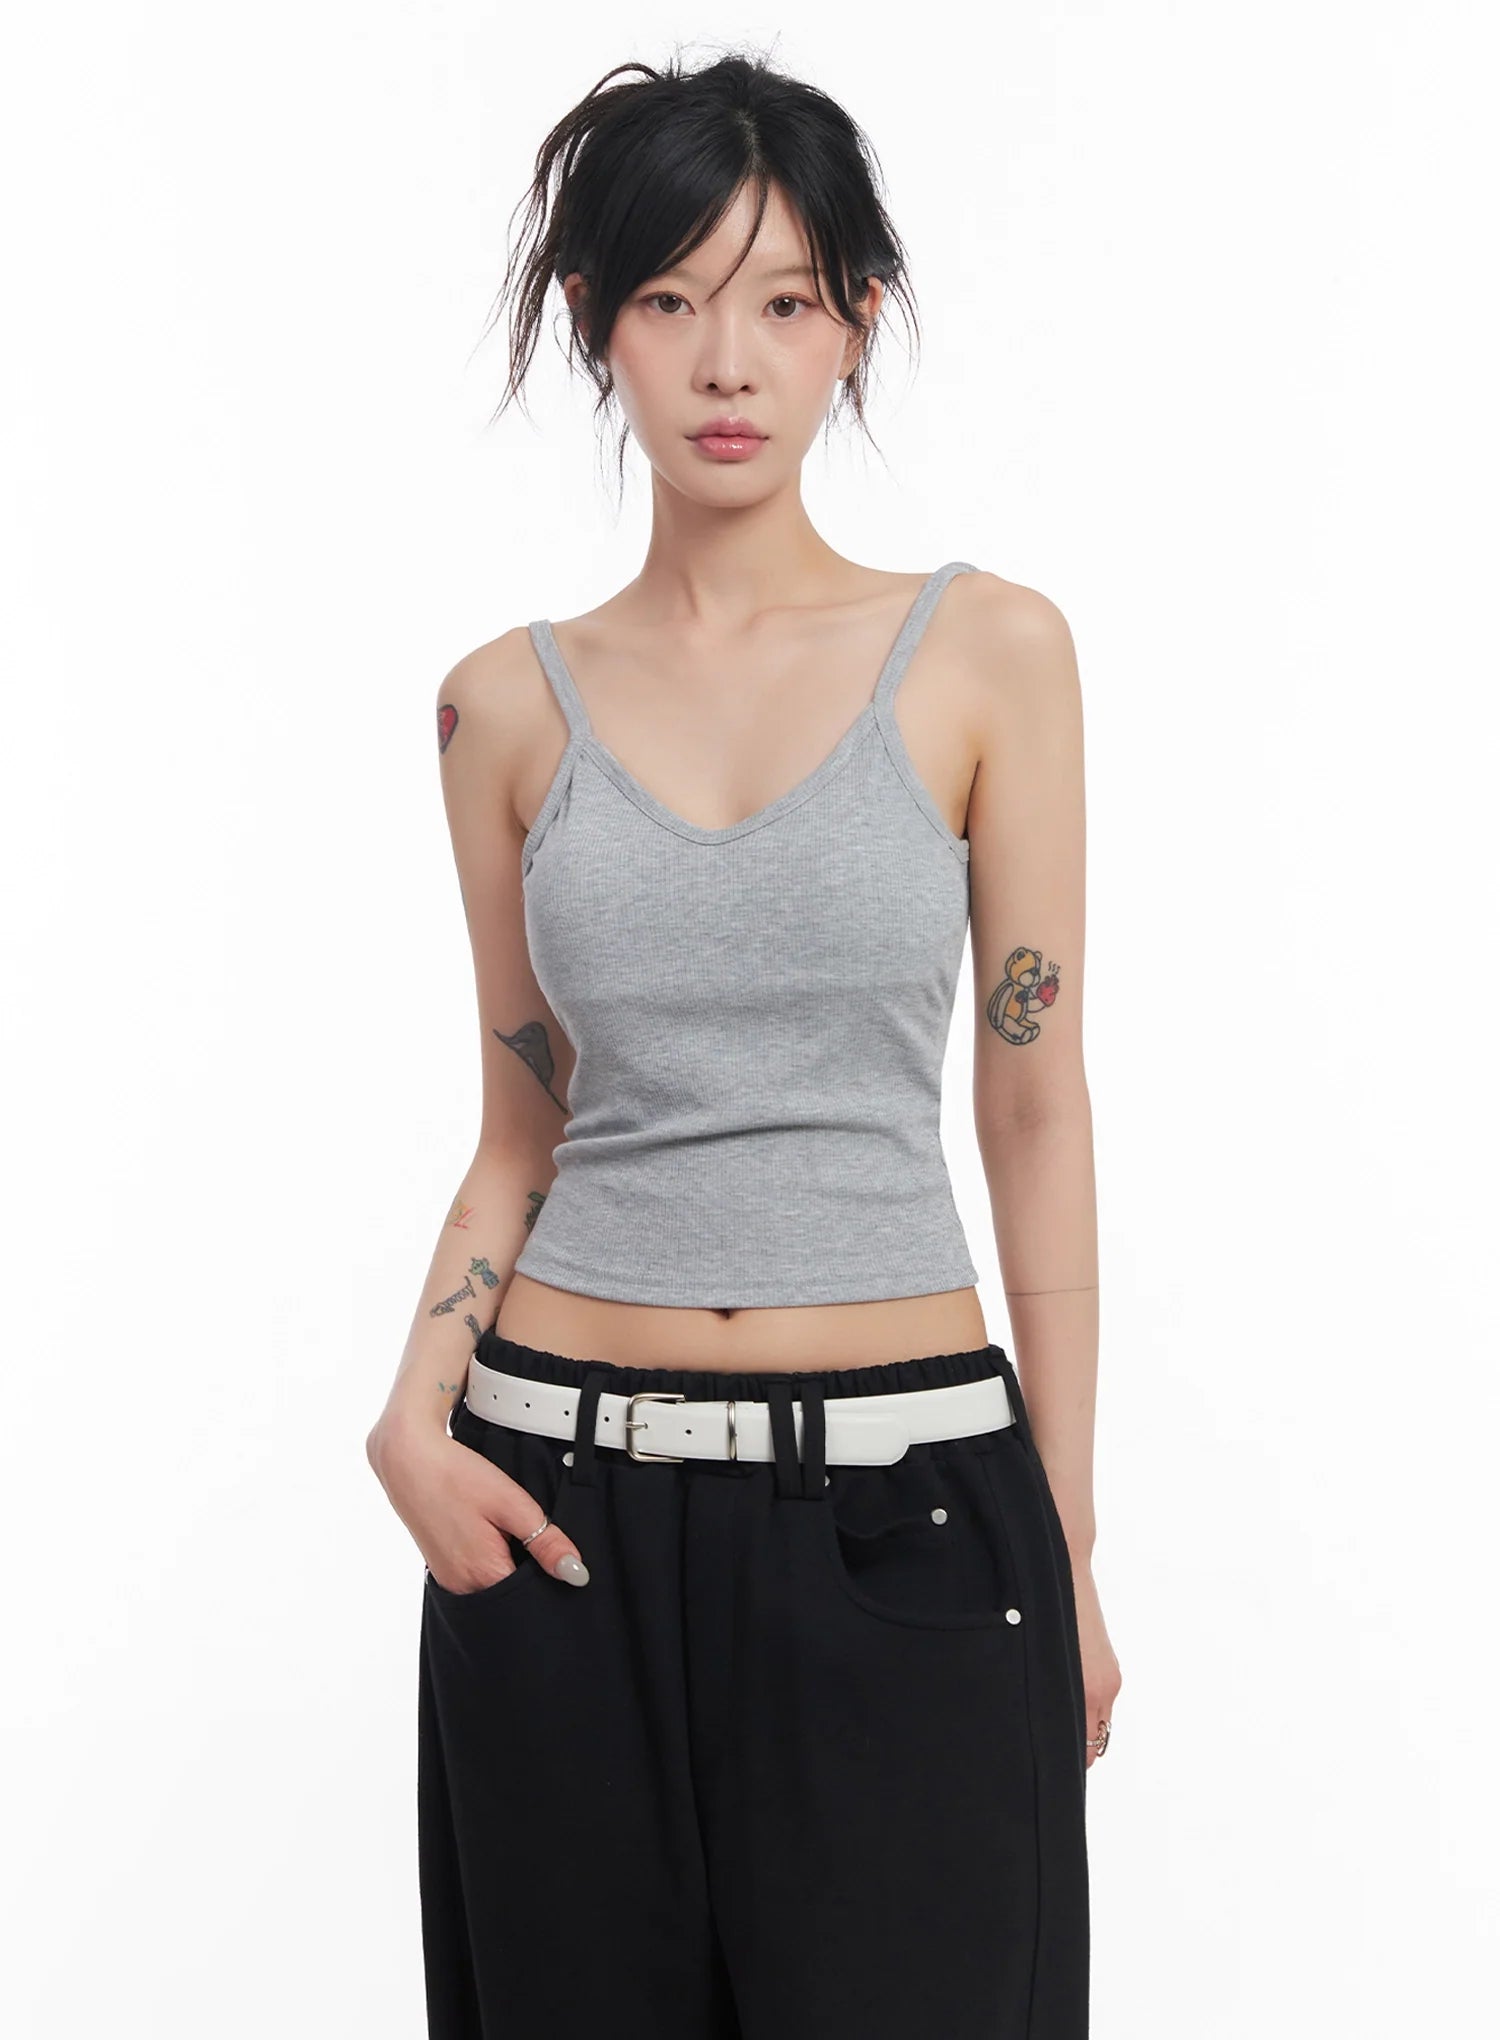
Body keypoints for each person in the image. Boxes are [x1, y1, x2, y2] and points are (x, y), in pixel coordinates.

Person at [366, 47, 1120, 2040]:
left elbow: (1034, 1109)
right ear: (596, 324)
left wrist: (1067, 1536)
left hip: (910, 1514)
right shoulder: (497, 711)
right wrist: (412, 1420)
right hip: (556, 1518)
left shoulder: (992, 656)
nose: (728, 360)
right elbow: (522, 1129)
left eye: (783, 300)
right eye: (671, 297)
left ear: (856, 321)